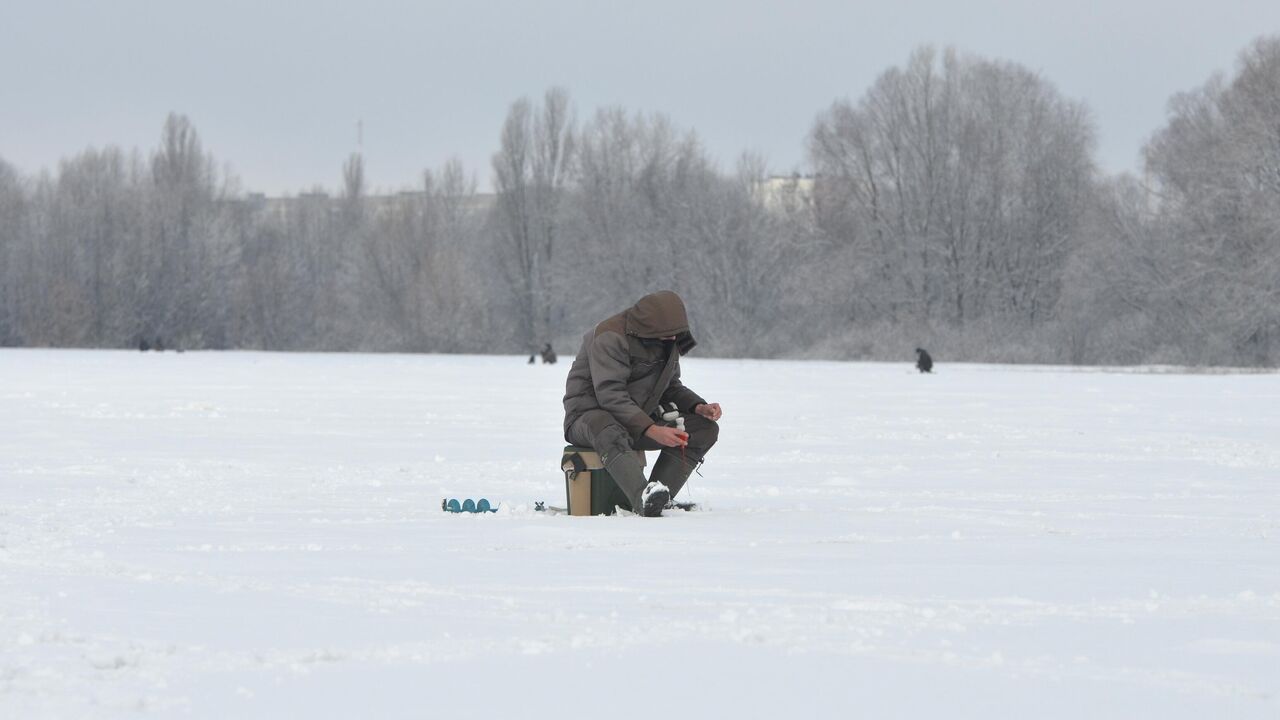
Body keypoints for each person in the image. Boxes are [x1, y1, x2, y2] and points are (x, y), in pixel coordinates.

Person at [562, 291, 722, 516]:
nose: (672, 339)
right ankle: (642, 498)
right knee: (606, 425)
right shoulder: (610, 336)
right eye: (666, 334)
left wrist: (698, 406)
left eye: (675, 334)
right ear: (649, 328)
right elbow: (610, 395)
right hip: (587, 419)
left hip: (637, 419)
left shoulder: (669, 340)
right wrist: (651, 429)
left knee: (703, 429)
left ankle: (658, 496)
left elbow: (670, 387)